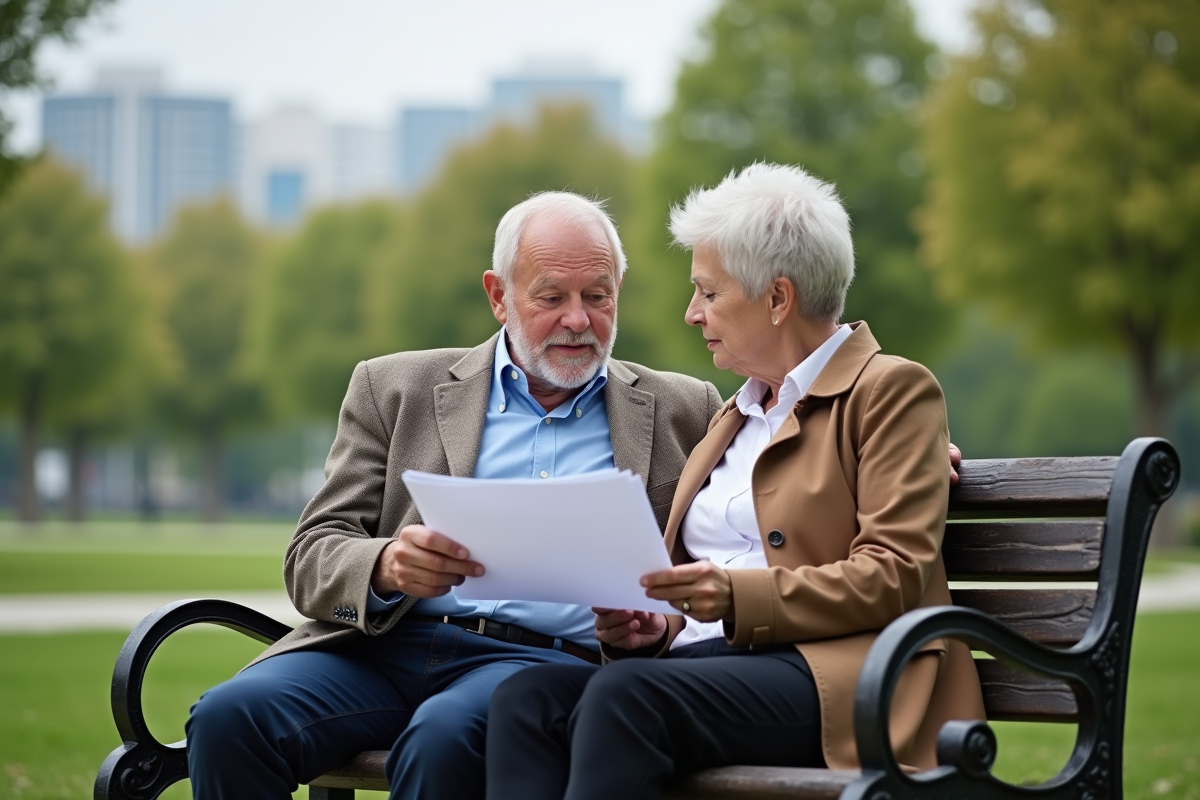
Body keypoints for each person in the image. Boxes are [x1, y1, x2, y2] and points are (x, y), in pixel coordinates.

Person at [184, 191, 724, 800]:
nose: (578, 319)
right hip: (380, 649)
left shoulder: (687, 408)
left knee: (443, 741)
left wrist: (654, 630)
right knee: (228, 717)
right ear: (498, 296)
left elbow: (711, 567)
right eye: (551, 297)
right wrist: (387, 566)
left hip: (540, 666)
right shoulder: (392, 388)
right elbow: (312, 554)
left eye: (597, 296)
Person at [485, 163, 986, 800]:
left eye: (709, 292)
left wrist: (735, 594)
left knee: (625, 698)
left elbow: (892, 573)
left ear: (778, 299)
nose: (692, 313)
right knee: (527, 699)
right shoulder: (735, 411)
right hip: (715, 668)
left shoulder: (889, 391)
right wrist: (655, 628)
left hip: (843, 675)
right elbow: (706, 575)